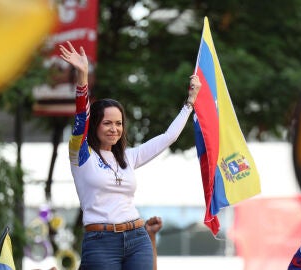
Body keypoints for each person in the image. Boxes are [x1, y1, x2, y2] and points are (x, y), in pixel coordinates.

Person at [59, 40, 201, 270]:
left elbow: (167, 137)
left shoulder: (128, 157)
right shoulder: (81, 155)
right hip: (100, 242)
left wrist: (190, 102)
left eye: (118, 123)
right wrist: (83, 75)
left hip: (137, 238)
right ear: (95, 125)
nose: (114, 128)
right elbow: (80, 119)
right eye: (107, 123)